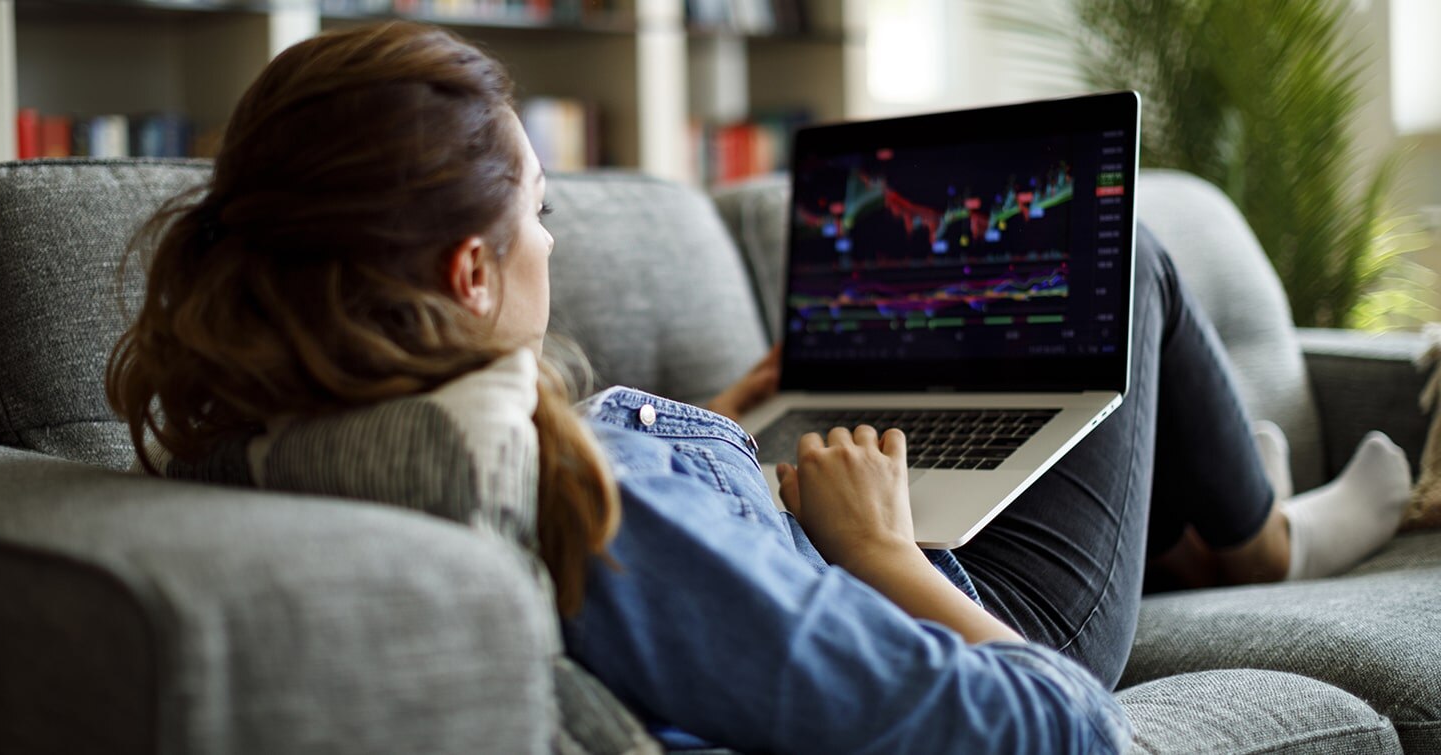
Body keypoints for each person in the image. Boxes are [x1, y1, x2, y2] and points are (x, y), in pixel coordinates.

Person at [105, 21, 1414, 754]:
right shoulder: (598, 515)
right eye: (541, 216)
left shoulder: (275, 427)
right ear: (466, 268)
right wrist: (886, 554)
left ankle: (1206, 521)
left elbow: (666, 555)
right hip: (964, 607)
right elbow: (1048, 732)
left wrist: (717, 441)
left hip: (806, 516)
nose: (551, 243)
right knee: (1125, 257)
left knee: (1049, 378)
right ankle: (1259, 538)